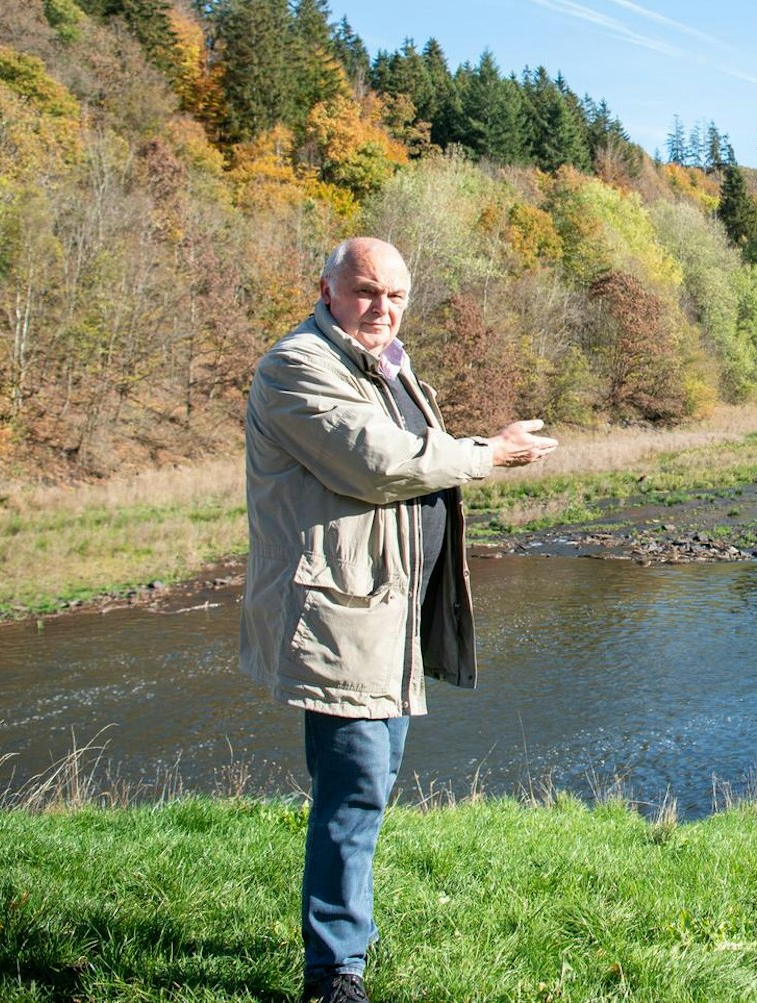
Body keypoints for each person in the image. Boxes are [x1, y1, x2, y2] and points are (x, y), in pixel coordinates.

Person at [240, 237, 556, 1003]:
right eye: (365, 290)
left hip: (387, 613)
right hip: (342, 617)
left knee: (370, 782)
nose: (381, 307)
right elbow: (380, 462)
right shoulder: (298, 366)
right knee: (352, 788)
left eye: (396, 295)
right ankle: (334, 971)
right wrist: (490, 453)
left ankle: (348, 937)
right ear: (327, 288)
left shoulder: (384, 363)